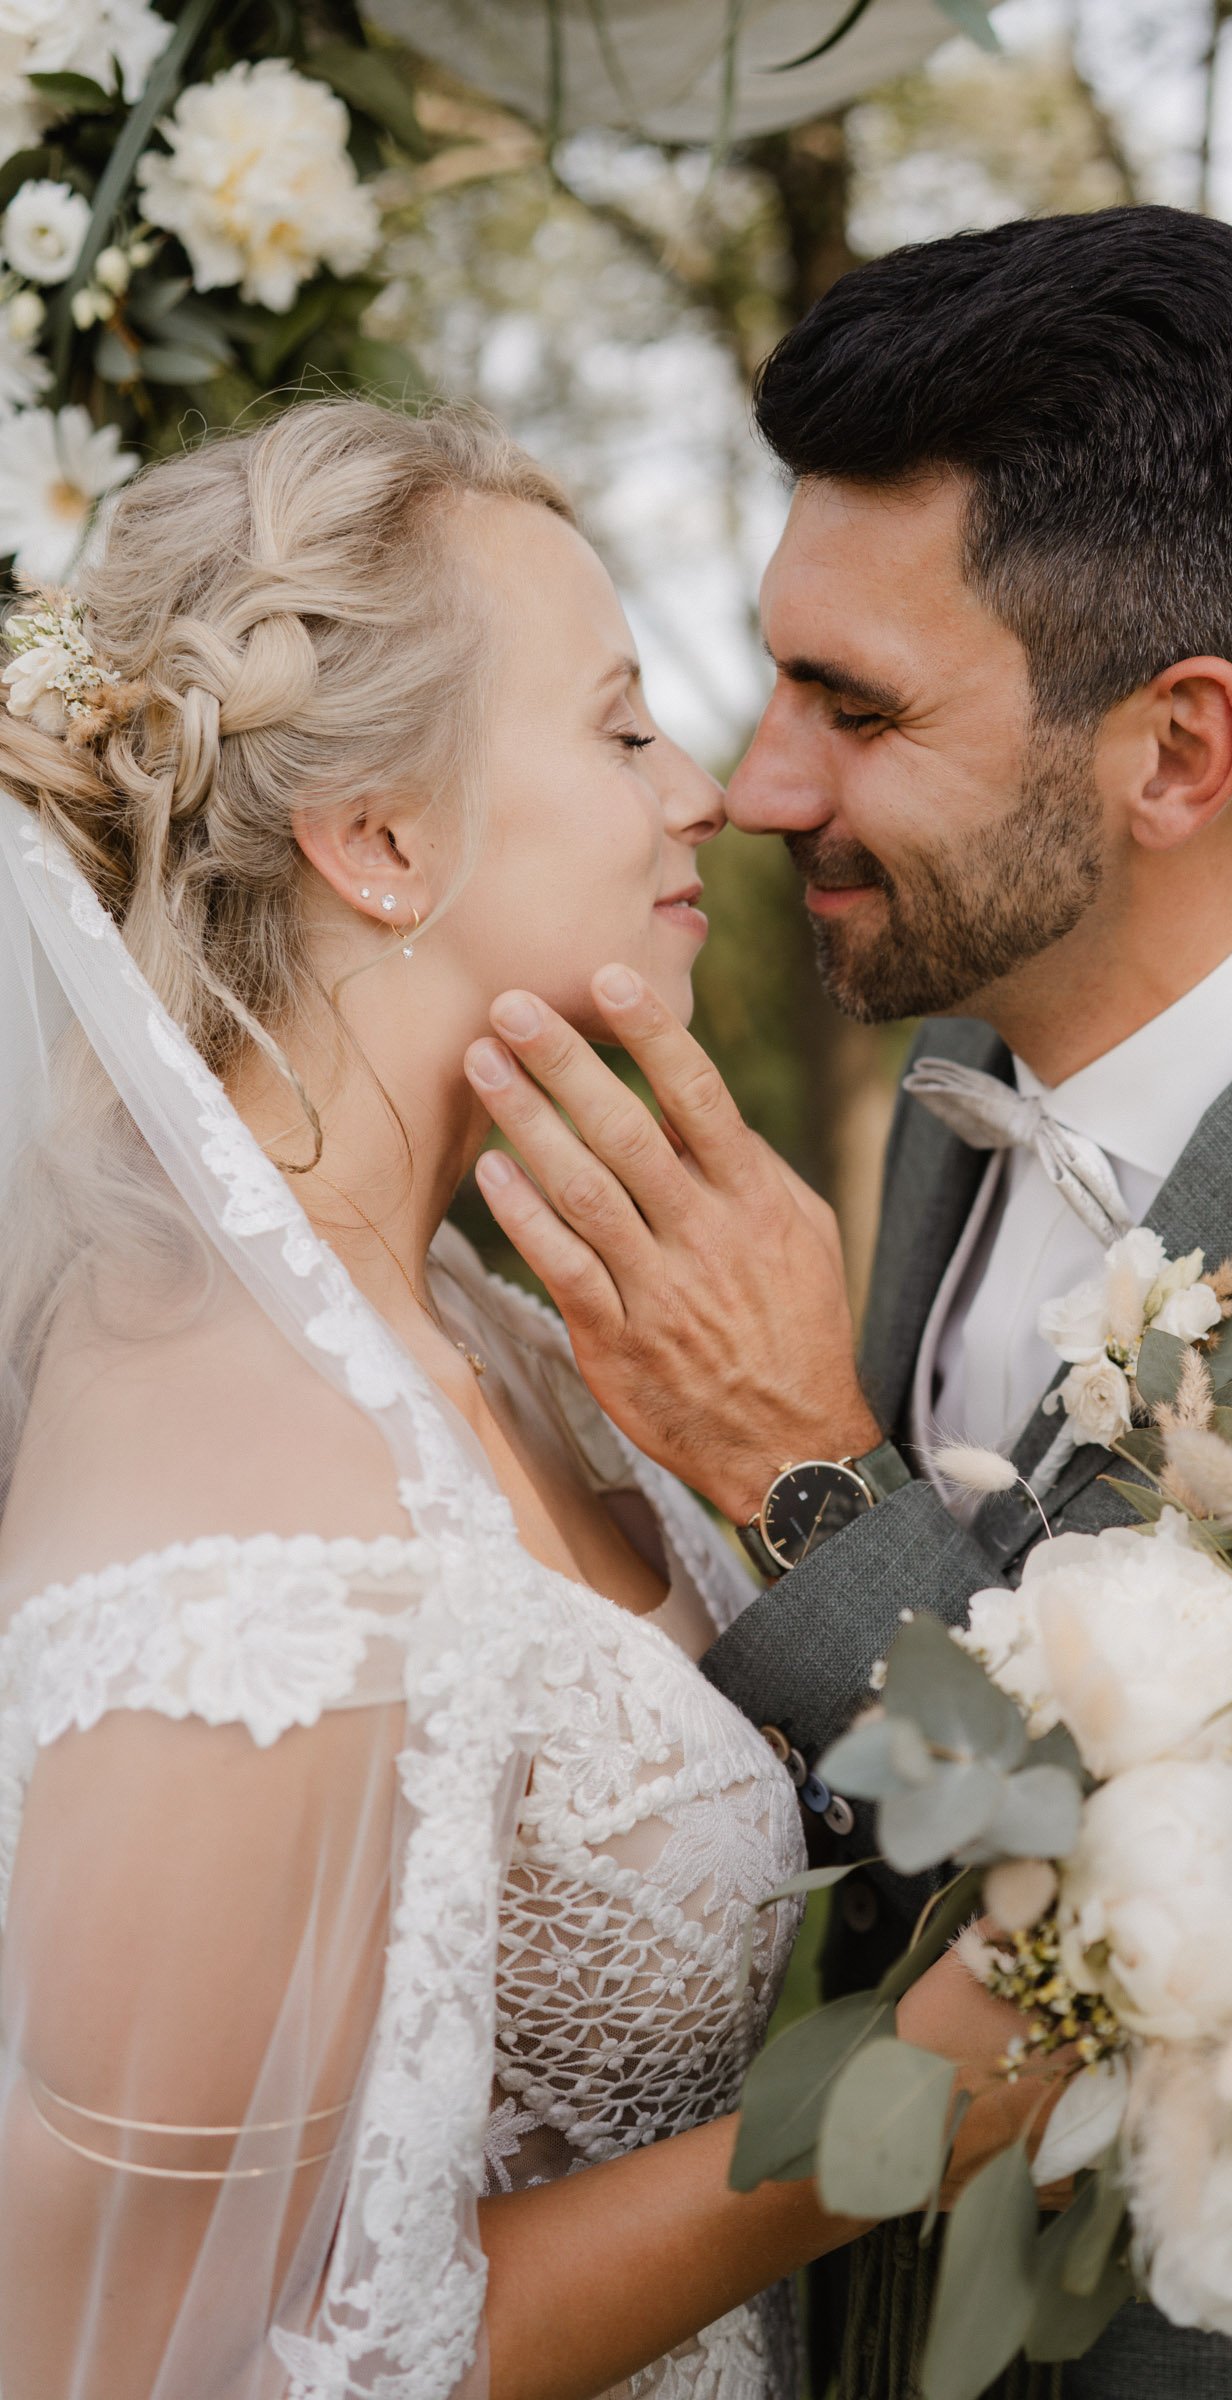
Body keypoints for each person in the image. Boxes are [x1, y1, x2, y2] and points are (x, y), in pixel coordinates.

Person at [465, 207, 1232, 2400]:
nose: (754, 786)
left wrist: (806, 1478)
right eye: (776, 676)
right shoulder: (966, 1059)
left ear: (1174, 752)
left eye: (857, 708)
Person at [0, 399, 1054, 2400]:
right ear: (381, 840)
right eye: (621, 728)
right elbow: (151, 2366)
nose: (708, 798)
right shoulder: (252, 1513)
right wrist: (880, 2118)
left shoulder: (489, 1319)